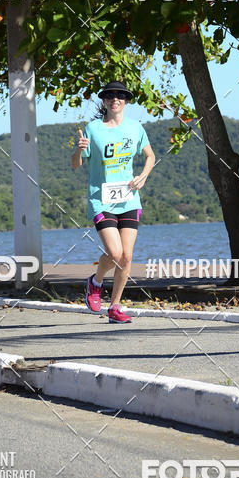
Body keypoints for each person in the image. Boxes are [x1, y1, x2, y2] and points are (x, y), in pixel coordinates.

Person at [71, 80, 155, 323]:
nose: (115, 99)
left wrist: (143, 176)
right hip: (102, 200)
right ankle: (95, 282)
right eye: (109, 95)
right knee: (115, 252)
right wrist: (79, 150)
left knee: (127, 257)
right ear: (104, 101)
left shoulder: (135, 127)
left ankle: (115, 307)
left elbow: (150, 155)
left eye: (120, 95)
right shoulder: (93, 129)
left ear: (126, 100)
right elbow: (76, 164)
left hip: (129, 198)